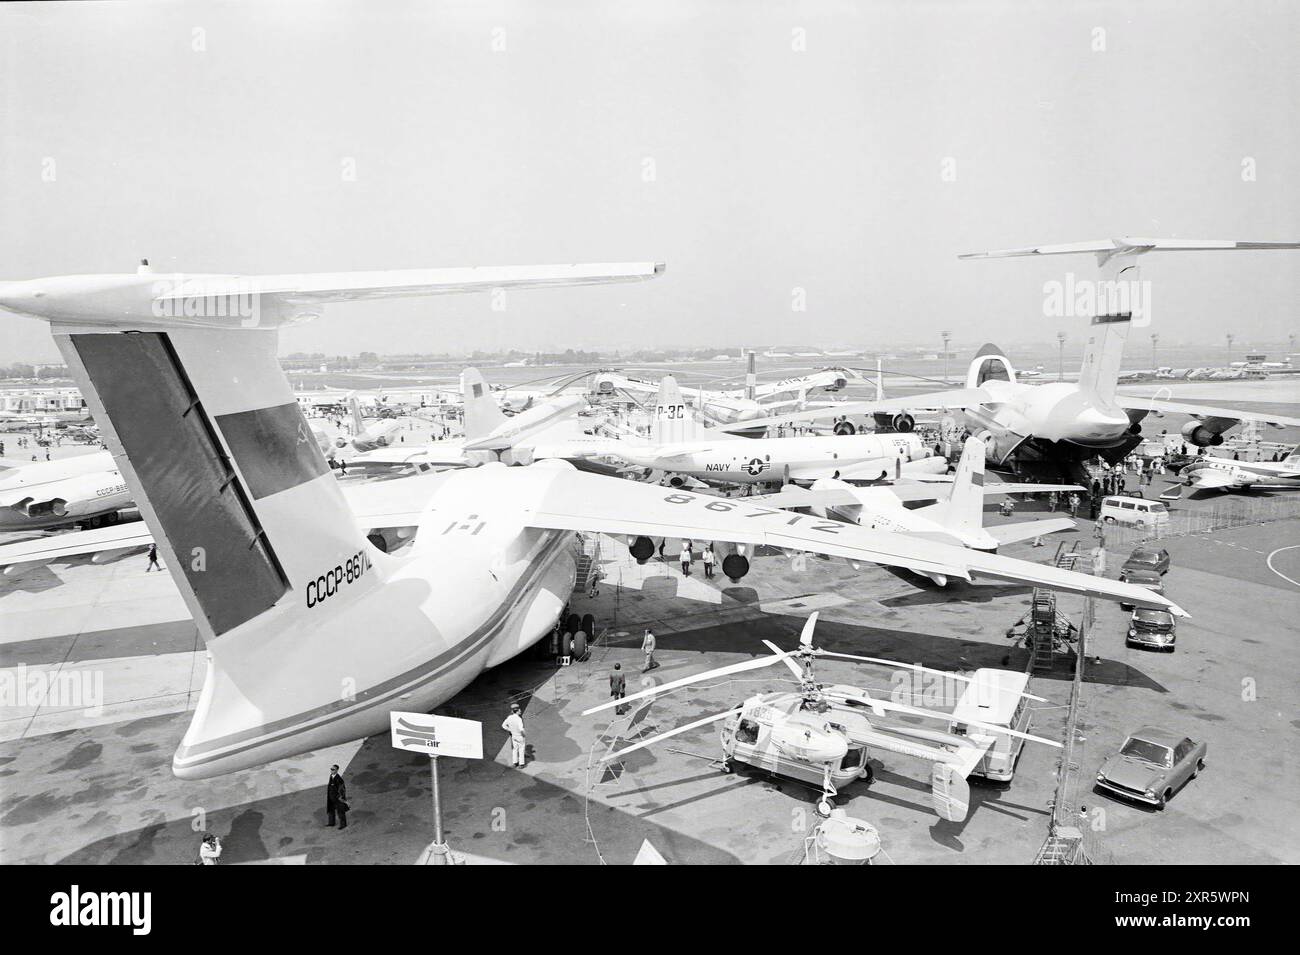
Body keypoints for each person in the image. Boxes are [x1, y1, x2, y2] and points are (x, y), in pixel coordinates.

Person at [502, 703, 527, 767]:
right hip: (519, 736)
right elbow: (521, 729)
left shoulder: (509, 717)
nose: (520, 711)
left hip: (513, 736)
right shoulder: (519, 719)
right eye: (519, 710)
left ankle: (515, 763)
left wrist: (510, 730)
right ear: (517, 711)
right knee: (521, 749)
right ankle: (521, 764)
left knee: (515, 749)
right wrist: (524, 735)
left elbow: (503, 726)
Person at [326, 764, 348, 829]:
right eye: (331, 769)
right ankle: (331, 823)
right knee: (331, 810)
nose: (331, 770)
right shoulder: (331, 776)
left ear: (337, 770)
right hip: (330, 797)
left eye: (333, 769)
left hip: (337, 798)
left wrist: (340, 797)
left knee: (340, 811)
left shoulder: (339, 779)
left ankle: (343, 824)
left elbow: (342, 790)